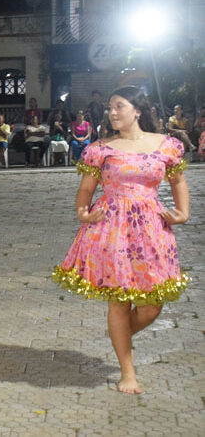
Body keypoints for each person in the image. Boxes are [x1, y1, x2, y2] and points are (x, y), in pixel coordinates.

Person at [53, 85, 189, 395]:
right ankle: (128, 373)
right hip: (111, 228)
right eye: (110, 108)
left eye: (119, 106)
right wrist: (82, 212)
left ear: (138, 110)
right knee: (119, 298)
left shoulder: (166, 145)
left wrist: (182, 213)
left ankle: (119, 334)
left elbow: (178, 181)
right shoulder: (100, 148)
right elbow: (86, 190)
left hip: (152, 229)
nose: (112, 112)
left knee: (153, 304)